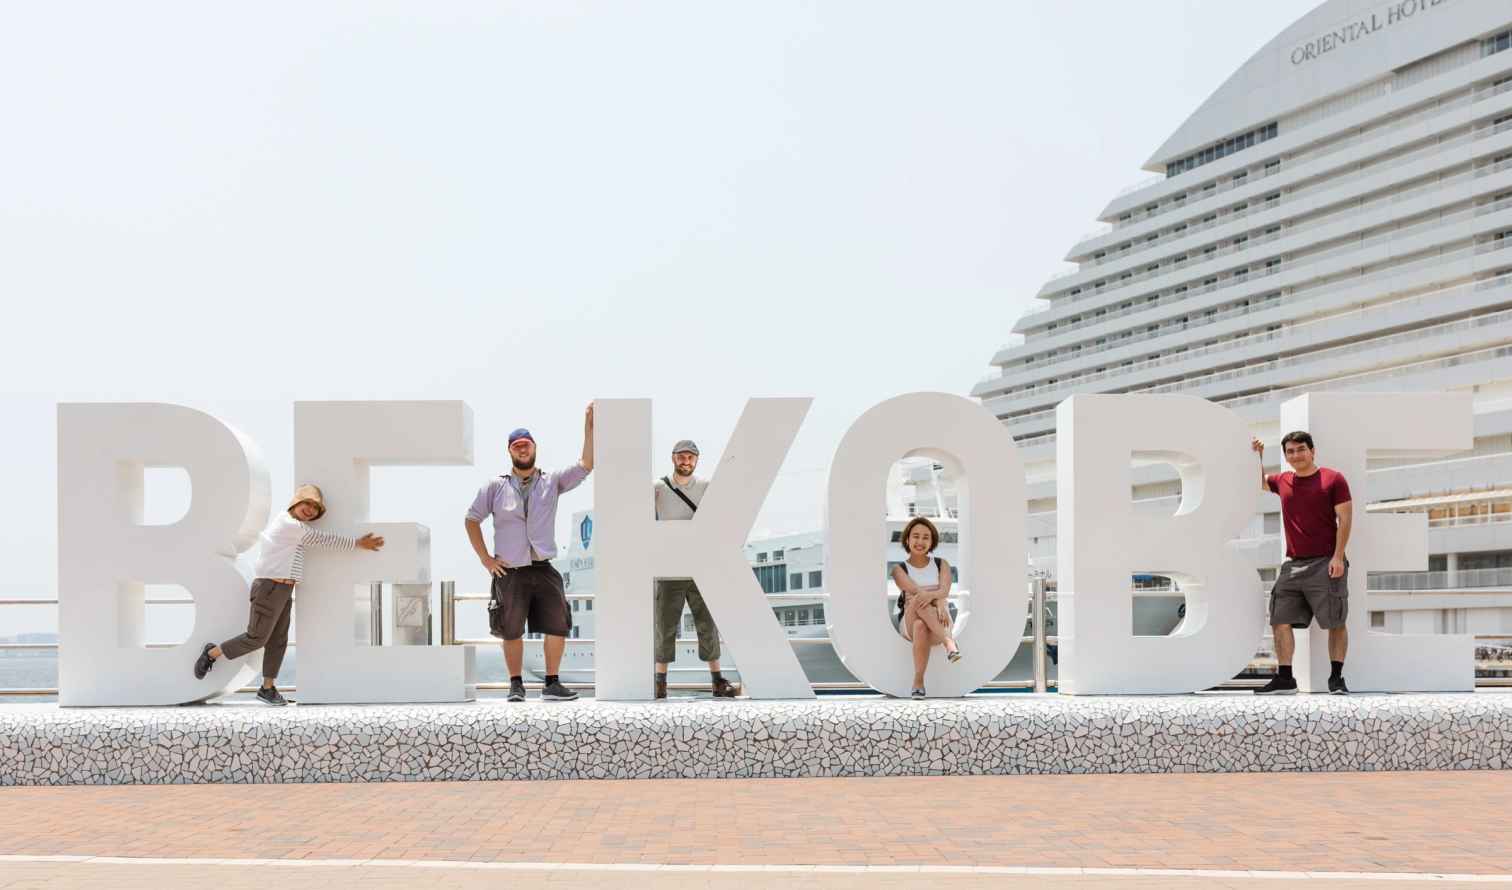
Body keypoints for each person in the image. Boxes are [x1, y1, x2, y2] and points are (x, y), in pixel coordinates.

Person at [193, 484, 384, 705]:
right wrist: (358, 543)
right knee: (257, 638)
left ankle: (267, 688)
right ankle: (212, 653)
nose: (311, 510)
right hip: (269, 588)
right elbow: (323, 539)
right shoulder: (289, 524)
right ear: (296, 503)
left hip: (283, 589)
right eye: (307, 504)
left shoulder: (296, 527)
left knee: (278, 640)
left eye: (315, 508)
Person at [466, 404, 595, 703]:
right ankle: (516, 685)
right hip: (509, 571)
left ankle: (552, 683)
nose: (522, 449)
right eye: (516, 446)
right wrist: (486, 559)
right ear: (510, 452)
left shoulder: (551, 482)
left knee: (558, 624)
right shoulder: (495, 487)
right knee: (510, 630)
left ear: (535, 448)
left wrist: (588, 427)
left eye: (526, 445)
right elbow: (471, 519)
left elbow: (586, 464)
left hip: (543, 566)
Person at [1251, 431, 1353, 695]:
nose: (1295, 455)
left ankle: (1336, 678)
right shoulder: (1283, 480)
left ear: (1313, 451)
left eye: (1301, 449)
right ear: (1285, 456)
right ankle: (1285, 678)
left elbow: (1345, 518)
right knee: (1279, 618)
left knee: (1335, 621)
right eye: (1290, 451)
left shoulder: (1333, 479)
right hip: (1293, 565)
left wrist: (1338, 556)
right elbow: (1257, 481)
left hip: (1326, 562)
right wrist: (1258, 457)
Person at [652, 440, 738, 700]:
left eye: (690, 457)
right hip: (669, 568)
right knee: (664, 626)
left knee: (707, 625)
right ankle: (659, 684)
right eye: (681, 457)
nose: (685, 461)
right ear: (673, 458)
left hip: (700, 567)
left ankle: (717, 681)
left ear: (697, 460)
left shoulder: (707, 487)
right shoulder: (657, 488)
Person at [891, 516, 961, 700]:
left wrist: (938, 598)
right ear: (907, 539)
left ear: (932, 542)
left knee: (921, 626)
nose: (920, 541)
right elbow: (915, 591)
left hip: (939, 621)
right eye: (915, 536)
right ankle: (949, 643)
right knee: (916, 601)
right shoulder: (899, 570)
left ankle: (918, 681)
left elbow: (945, 590)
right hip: (910, 620)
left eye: (925, 537)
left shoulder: (941, 564)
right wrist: (937, 600)